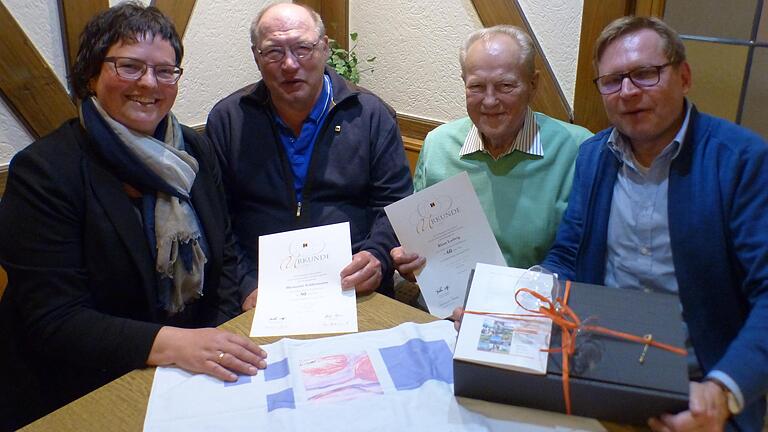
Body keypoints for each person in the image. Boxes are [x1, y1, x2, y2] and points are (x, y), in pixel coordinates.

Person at [0, 4, 267, 430]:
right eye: (129, 66)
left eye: (166, 71)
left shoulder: (193, 152)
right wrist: (176, 345)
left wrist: (227, 330)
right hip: (78, 386)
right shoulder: (45, 171)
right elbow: (53, 320)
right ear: (91, 74)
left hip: (189, 372)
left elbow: (226, 251)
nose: (149, 83)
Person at [539, 17, 768, 431]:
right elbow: (567, 254)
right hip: (597, 374)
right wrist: (512, 296)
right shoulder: (593, 156)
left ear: (684, 76)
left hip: (700, 393)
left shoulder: (740, 160)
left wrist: (720, 391)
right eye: (612, 81)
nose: (627, 92)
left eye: (645, 74)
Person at [206, 3, 412, 310]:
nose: (289, 64)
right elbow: (217, 220)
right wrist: (246, 284)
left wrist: (377, 256)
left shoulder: (370, 115)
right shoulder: (229, 120)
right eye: (274, 51)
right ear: (256, 56)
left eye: (303, 48)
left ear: (325, 48)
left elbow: (395, 205)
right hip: (259, 290)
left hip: (354, 286)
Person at [391, 26, 591, 283]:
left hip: (532, 311)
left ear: (533, 85)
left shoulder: (576, 149)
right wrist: (410, 263)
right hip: (447, 308)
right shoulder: (439, 144)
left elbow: (582, 259)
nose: (489, 101)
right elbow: (420, 244)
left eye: (505, 85)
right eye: (476, 86)